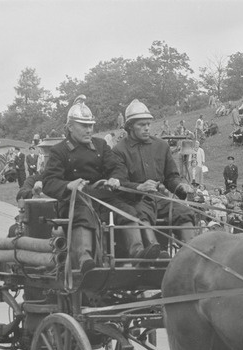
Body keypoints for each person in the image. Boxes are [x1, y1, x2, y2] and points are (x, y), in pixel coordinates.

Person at [41, 96, 123, 273]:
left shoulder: (101, 145)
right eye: (84, 126)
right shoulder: (59, 150)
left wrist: (115, 178)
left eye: (91, 125)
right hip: (73, 203)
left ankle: (138, 252)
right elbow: (49, 182)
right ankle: (84, 258)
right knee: (83, 213)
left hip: (102, 200)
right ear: (70, 127)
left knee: (127, 210)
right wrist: (68, 185)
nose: (89, 130)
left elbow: (117, 167)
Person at [113, 98, 196, 255]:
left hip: (160, 199)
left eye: (148, 124)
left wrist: (180, 186)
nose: (147, 128)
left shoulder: (161, 146)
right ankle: (153, 250)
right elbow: (120, 182)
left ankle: (193, 252)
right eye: (141, 125)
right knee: (141, 214)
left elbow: (171, 176)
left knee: (183, 212)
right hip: (135, 200)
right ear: (130, 126)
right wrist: (139, 187)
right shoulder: (119, 150)